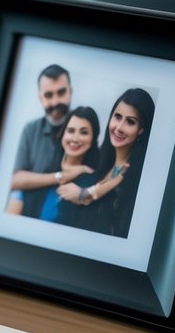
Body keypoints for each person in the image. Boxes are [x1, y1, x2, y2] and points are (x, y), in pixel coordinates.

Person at [57, 88, 156, 238]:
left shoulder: (132, 175)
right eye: (117, 117)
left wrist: (82, 194)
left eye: (130, 122)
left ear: (141, 130)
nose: (119, 127)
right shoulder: (102, 166)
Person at [8, 65, 92, 217]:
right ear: (40, 98)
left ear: (70, 91)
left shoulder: (86, 127)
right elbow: (16, 180)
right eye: (48, 95)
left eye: (61, 92)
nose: (55, 101)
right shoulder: (31, 129)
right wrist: (61, 176)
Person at [45, 107, 102, 228]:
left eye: (84, 132)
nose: (75, 139)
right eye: (70, 130)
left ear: (93, 138)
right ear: (63, 133)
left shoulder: (92, 183)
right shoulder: (44, 165)